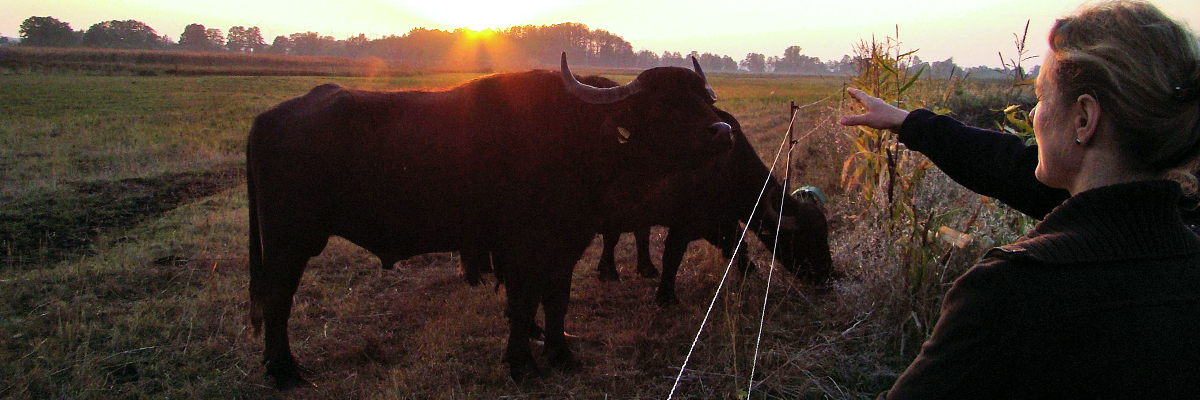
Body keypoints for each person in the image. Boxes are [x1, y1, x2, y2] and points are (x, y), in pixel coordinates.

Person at [839, 1, 1200, 398]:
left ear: (1084, 119)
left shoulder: (1010, 295)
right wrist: (909, 123)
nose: (1033, 117)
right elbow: (1011, 168)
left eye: (1042, 98)